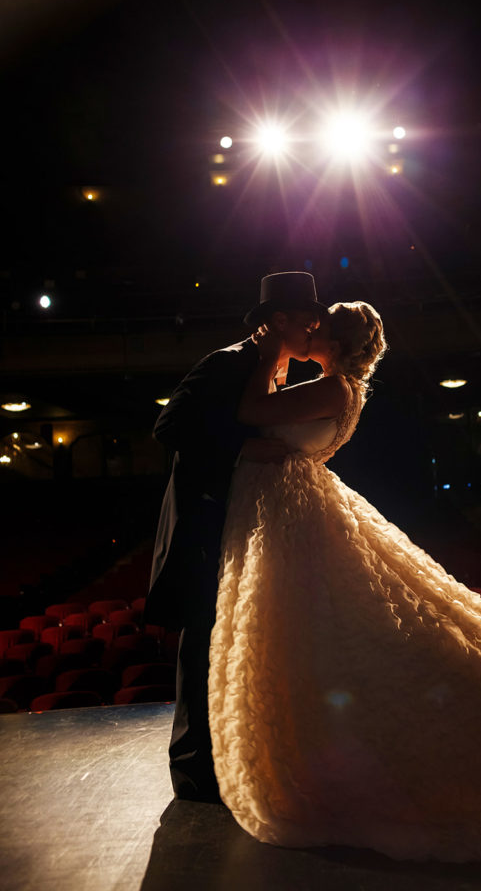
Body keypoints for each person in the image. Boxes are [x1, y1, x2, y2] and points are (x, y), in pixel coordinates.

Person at [208, 300, 481, 861]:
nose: (311, 325)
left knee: (335, 629)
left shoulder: (334, 389)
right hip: (289, 507)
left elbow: (251, 410)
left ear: (336, 339)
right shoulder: (337, 386)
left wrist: (271, 354)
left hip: (292, 512)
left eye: (321, 322)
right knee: (307, 632)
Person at [147, 271, 327, 801]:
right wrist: (242, 448)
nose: (315, 326)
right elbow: (169, 427)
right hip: (204, 522)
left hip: (236, 523)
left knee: (228, 642)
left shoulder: (267, 370)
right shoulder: (227, 362)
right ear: (276, 322)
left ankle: (227, 757)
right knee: (201, 641)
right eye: (306, 318)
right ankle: (194, 771)